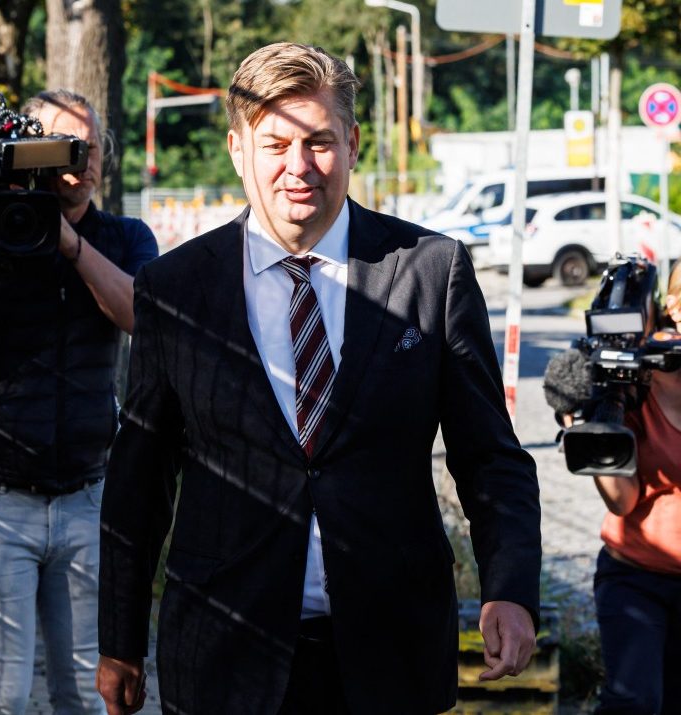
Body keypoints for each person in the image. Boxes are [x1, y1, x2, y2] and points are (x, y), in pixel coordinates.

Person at [96, 42, 541, 715]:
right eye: (275, 144)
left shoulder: (431, 270)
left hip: (390, 653)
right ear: (238, 150)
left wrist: (509, 588)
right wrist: (120, 638)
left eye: (319, 142)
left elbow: (490, 456)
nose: (298, 166)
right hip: (226, 653)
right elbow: (140, 478)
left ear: (353, 143)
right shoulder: (175, 288)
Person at [0, 89, 159, 714]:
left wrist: (68, 243)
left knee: (87, 697)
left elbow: (142, 317)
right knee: (0, 698)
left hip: (88, 496)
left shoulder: (125, 237)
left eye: (94, 147)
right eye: (67, 146)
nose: (83, 160)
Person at [588, 261, 681, 714]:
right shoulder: (631, 378)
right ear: (672, 307)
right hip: (637, 577)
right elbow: (622, 502)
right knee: (635, 703)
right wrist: (593, 424)